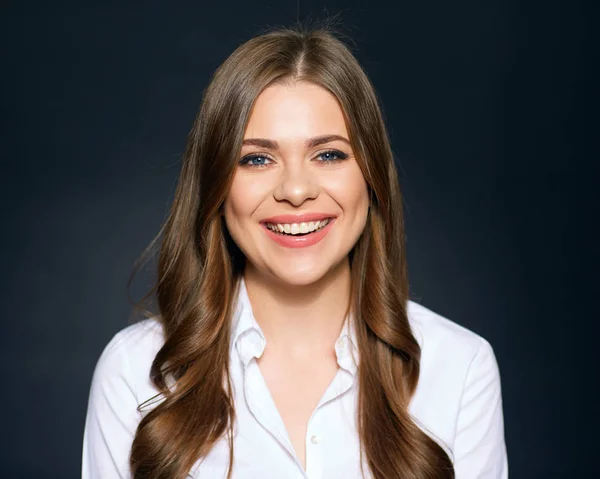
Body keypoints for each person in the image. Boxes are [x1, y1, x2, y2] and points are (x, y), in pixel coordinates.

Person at [82, 24, 508, 479]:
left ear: (371, 177)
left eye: (328, 155)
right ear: (217, 186)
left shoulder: (461, 368)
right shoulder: (133, 372)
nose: (297, 190)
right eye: (257, 159)